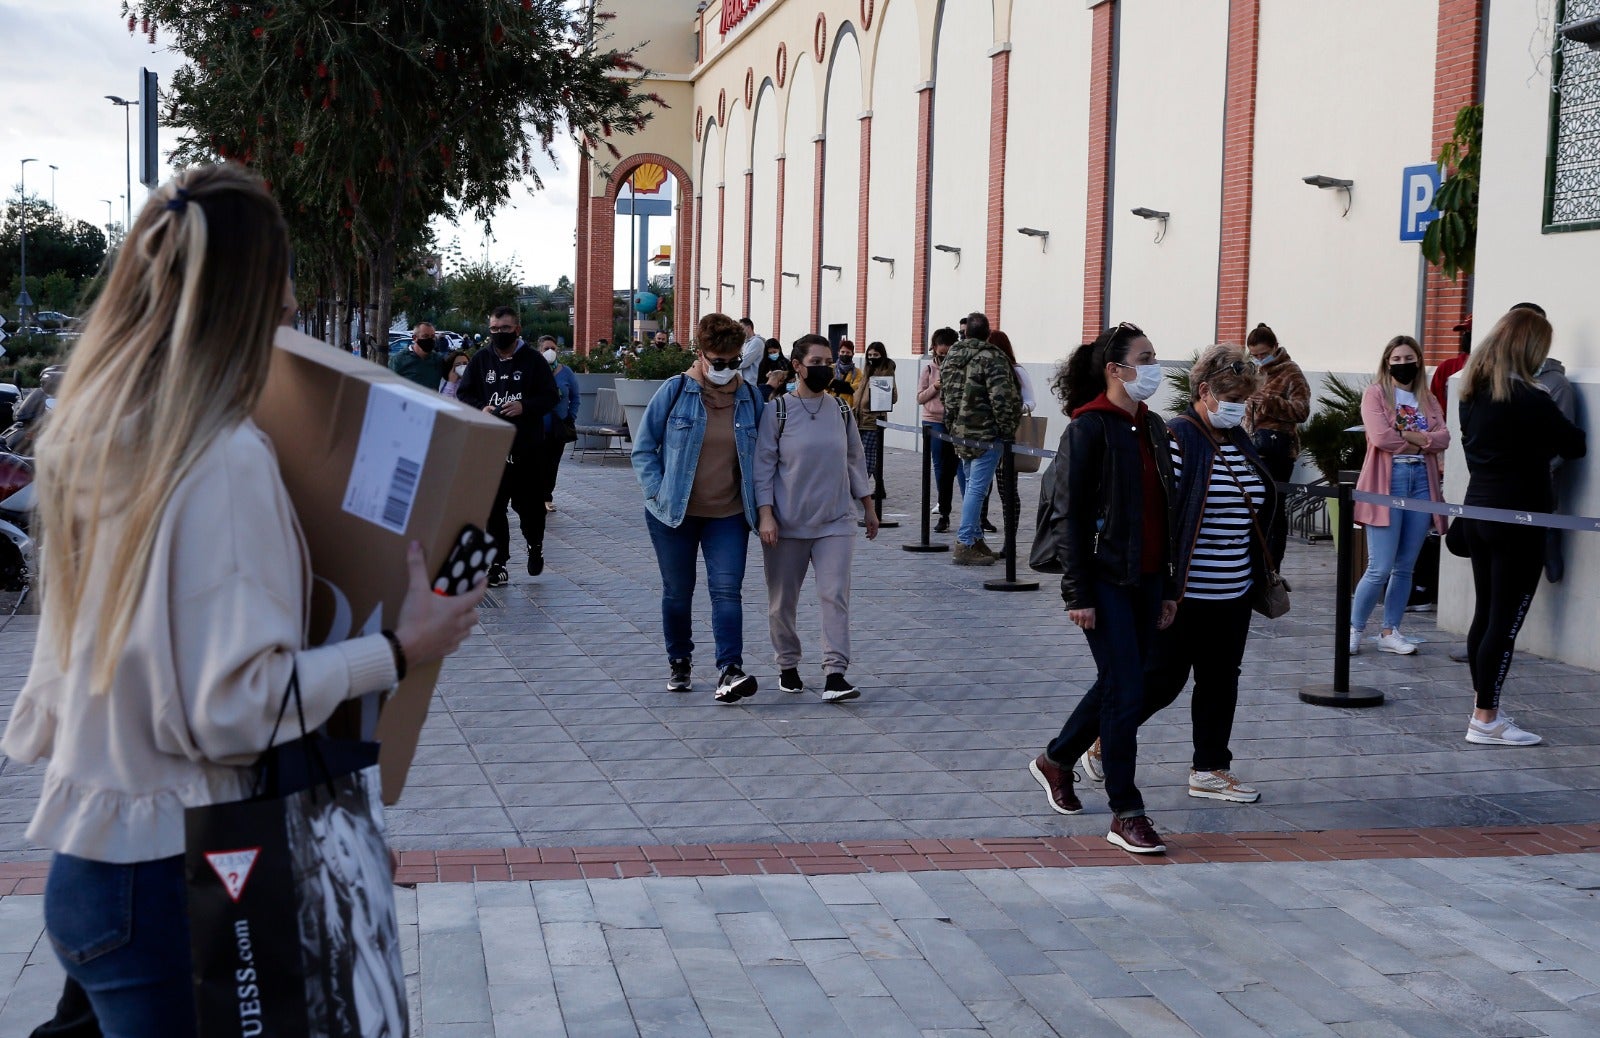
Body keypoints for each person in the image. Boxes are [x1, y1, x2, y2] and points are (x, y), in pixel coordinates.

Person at [0, 165, 485, 1037]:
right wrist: (401, 647)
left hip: (95, 860)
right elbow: (233, 708)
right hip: (178, 877)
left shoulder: (94, 435)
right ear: (254, 302)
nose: (292, 314)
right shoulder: (222, 461)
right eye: (285, 296)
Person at [1028, 322, 1177, 856]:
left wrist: (1169, 586)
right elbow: (1068, 516)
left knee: (1123, 682)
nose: (1155, 367)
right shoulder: (1088, 428)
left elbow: (1166, 511)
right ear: (1116, 369)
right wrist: (1078, 594)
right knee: (1126, 689)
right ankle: (1126, 810)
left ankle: (1056, 759)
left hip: (1148, 577)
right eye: (1146, 358)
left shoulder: (1153, 426)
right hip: (1105, 578)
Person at [1140, 344, 1275, 804]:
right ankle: (1100, 735)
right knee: (1162, 681)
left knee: (1221, 679)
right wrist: (1163, 587)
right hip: (1186, 592)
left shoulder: (1237, 438)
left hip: (1234, 588)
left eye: (1244, 399)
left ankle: (1211, 768)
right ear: (1204, 391)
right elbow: (1161, 514)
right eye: (1232, 397)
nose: (1239, 407)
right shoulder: (1179, 436)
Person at [1458, 307, 1586, 746]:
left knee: (1485, 614)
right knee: (1505, 622)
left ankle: (1483, 706)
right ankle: (1485, 718)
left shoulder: (1473, 393)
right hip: (1519, 518)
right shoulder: (1531, 398)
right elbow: (1575, 444)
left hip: (1479, 511)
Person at [632, 313, 765, 702]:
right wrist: (656, 493)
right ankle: (680, 660)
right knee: (678, 591)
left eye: (734, 360)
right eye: (719, 361)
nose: (727, 368)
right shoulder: (675, 391)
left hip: (729, 515)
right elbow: (643, 448)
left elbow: (765, 457)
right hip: (674, 514)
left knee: (727, 591)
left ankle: (730, 669)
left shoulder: (750, 398)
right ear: (702, 355)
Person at [756, 334, 879, 703]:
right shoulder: (777, 411)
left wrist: (868, 505)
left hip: (836, 521)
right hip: (787, 523)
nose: (825, 368)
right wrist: (766, 515)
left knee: (834, 595)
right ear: (797, 366)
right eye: (816, 362)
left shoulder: (840, 410)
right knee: (782, 601)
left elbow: (855, 459)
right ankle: (787, 665)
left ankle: (835, 674)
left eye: (828, 361)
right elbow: (763, 468)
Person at [1350, 335, 1449, 656]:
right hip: (1387, 481)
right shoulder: (1376, 393)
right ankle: (1354, 629)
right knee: (1379, 567)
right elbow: (1381, 437)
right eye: (1397, 359)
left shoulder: (1427, 398)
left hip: (1422, 481)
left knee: (1405, 566)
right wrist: (1421, 441)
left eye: (1409, 358)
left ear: (1418, 361)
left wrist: (1407, 436)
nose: (1403, 364)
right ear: (1387, 362)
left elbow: (1444, 437)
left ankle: (1390, 631)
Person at [456, 306, 561, 584]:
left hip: (527, 447)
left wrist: (525, 406)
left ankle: (534, 545)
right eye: (494, 329)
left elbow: (551, 396)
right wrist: (482, 408)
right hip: (491, 448)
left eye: (505, 328)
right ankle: (497, 563)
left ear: (517, 329)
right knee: (493, 507)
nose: (499, 333)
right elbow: (464, 393)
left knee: (529, 507)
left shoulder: (533, 361)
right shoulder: (481, 359)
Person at [939, 313, 1021, 565]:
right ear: (987, 333)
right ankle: (965, 543)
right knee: (977, 488)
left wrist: (953, 425)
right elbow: (1002, 398)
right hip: (986, 434)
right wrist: (1008, 430)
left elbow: (945, 394)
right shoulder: (993, 357)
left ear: (966, 333)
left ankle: (975, 539)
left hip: (960, 433)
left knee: (972, 486)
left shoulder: (952, 355)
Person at [1242, 323, 1311, 569]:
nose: (1260, 359)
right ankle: (1253, 564)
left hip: (1278, 449)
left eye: (1264, 354)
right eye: (1255, 355)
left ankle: (1272, 568)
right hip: (1251, 446)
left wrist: (1271, 403)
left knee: (1273, 508)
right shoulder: (1251, 371)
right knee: (1254, 508)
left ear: (1275, 348)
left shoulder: (1290, 372)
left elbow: (1302, 411)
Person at [917, 327, 962, 533]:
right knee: (941, 467)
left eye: (947, 353)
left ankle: (973, 513)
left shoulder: (960, 368)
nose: (943, 357)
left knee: (959, 468)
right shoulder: (928, 369)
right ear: (934, 349)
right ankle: (944, 512)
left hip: (956, 422)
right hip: (933, 421)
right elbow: (920, 398)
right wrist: (935, 387)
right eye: (940, 353)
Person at [853, 341, 899, 515]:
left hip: (873, 420)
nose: (872, 358)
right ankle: (879, 487)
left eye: (876, 355)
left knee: (868, 456)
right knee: (867, 454)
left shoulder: (886, 372)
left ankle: (860, 487)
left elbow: (892, 396)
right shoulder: (867, 369)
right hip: (860, 418)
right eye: (870, 355)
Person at [541, 336, 580, 513]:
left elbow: (575, 397)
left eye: (553, 348)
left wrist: (570, 416)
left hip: (559, 427)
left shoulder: (566, 372)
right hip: (538, 426)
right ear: (540, 350)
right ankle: (535, 496)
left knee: (552, 463)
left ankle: (546, 497)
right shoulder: (536, 371)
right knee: (537, 462)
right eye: (546, 348)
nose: (550, 351)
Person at [1430, 315, 1473, 421]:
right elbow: (1432, 403)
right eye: (1465, 331)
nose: (1466, 335)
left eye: (1470, 331)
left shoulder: (1492, 370)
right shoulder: (1446, 367)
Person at [389, 321, 447, 390]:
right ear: (415, 338)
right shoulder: (399, 359)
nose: (430, 339)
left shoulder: (438, 359)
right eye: (425, 336)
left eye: (432, 336)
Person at [758, 336, 794, 402]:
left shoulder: (786, 362)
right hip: (768, 394)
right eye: (770, 353)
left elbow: (791, 378)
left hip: (784, 393)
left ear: (779, 349)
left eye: (774, 352)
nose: (773, 354)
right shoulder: (764, 364)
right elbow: (760, 381)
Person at [738, 317, 764, 385]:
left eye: (742, 329)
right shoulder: (745, 343)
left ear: (749, 327)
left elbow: (745, 362)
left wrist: (730, 366)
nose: (740, 332)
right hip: (743, 381)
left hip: (752, 382)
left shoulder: (756, 342)